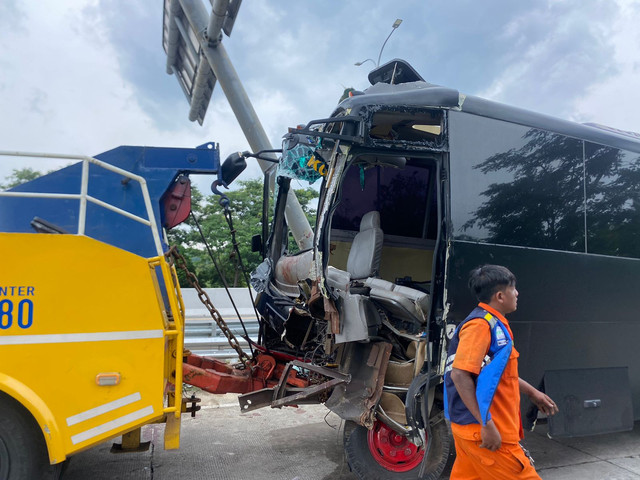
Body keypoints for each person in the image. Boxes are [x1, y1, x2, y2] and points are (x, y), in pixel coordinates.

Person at [444, 264, 558, 479]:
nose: (517, 293)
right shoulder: (480, 325)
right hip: (484, 432)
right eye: (513, 289)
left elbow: (502, 374)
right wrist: (485, 424)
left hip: (473, 430)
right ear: (500, 296)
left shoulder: (495, 324)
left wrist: (533, 392)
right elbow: (459, 375)